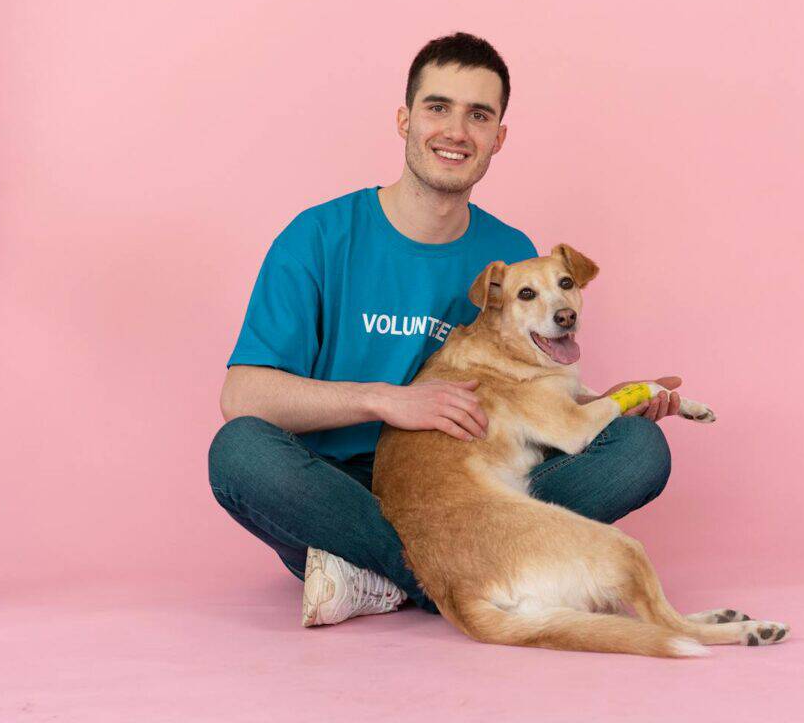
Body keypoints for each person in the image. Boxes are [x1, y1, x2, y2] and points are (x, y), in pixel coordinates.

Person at [208, 32, 683, 627]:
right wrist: (387, 401)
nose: (456, 131)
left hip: (475, 487)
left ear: (498, 138)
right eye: (438, 107)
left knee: (639, 451)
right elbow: (242, 396)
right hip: (337, 493)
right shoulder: (318, 236)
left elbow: (527, 394)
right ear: (405, 119)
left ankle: (377, 578)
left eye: (478, 115)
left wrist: (607, 404)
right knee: (240, 452)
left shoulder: (511, 254)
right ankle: (449, 577)